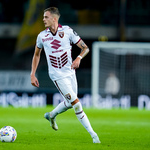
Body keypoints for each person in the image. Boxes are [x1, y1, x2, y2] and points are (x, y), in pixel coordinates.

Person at [30, 7, 100, 143]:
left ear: (54, 19)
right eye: (43, 17)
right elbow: (36, 54)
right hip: (57, 75)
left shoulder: (67, 31)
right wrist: (33, 74)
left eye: (46, 17)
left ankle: (51, 115)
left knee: (69, 103)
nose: (43, 19)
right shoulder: (42, 36)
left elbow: (85, 48)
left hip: (70, 72)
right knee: (76, 103)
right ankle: (94, 135)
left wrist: (79, 58)